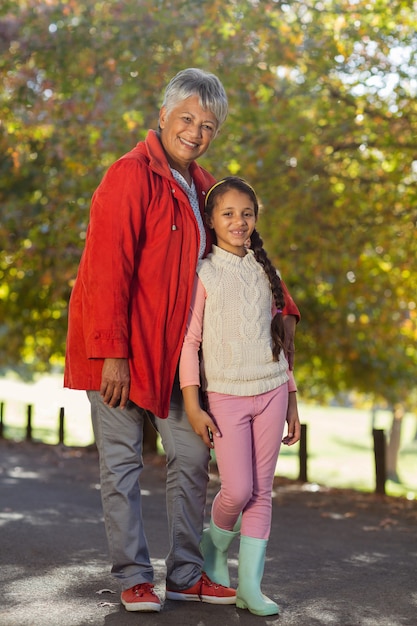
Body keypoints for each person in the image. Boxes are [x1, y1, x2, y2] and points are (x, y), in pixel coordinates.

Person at [64, 69, 300, 613]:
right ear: (163, 115)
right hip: (119, 353)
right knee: (121, 465)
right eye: (187, 119)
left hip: (174, 354)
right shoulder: (128, 175)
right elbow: (106, 270)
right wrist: (113, 353)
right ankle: (132, 575)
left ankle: (187, 573)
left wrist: (282, 307)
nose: (195, 132)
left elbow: (235, 256)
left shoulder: (202, 185)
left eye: (208, 125)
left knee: (193, 454)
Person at [179, 176, 301, 617]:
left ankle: (250, 587)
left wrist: (291, 400)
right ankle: (214, 547)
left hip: (270, 391)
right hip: (226, 398)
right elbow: (189, 344)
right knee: (238, 489)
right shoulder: (204, 272)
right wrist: (194, 405)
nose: (238, 221)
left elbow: (279, 346)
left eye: (246, 213)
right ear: (211, 220)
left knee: (263, 492)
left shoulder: (266, 271)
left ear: (256, 218)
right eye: (228, 213)